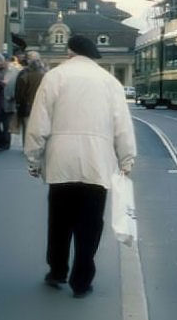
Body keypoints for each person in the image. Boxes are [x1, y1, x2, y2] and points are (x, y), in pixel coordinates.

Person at [24, 34, 136, 298]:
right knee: (90, 225)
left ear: (70, 53)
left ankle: (57, 271)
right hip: (97, 162)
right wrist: (126, 159)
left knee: (59, 221)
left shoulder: (54, 77)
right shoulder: (110, 82)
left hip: (60, 161)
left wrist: (33, 158)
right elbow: (122, 125)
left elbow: (39, 121)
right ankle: (82, 281)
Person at [15, 51, 46, 145]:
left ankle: (26, 145)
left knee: (27, 126)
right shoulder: (46, 74)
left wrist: (18, 102)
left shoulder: (24, 74)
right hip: (41, 105)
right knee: (39, 127)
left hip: (27, 104)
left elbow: (19, 91)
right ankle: (37, 145)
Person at [0, 52, 23, 149]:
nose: (3, 63)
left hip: (9, 101)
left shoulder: (15, 71)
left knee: (6, 124)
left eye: (4, 60)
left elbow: (17, 86)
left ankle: (5, 143)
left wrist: (13, 96)